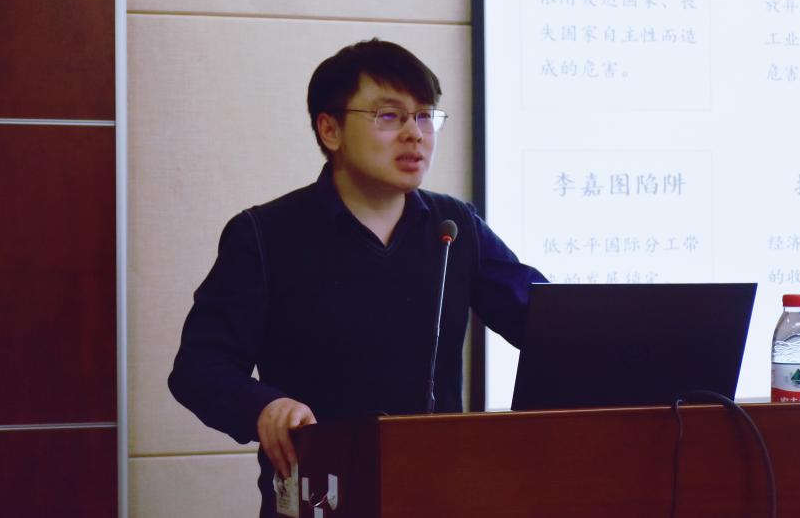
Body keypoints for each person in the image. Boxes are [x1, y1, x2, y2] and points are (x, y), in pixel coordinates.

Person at [168, 38, 546, 516]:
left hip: (439, 494)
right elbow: (199, 367)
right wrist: (263, 406)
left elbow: (548, 322)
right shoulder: (265, 235)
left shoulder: (455, 228)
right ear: (330, 129)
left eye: (424, 116)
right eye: (389, 116)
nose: (415, 134)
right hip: (321, 496)